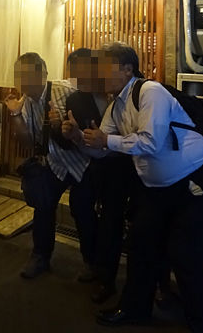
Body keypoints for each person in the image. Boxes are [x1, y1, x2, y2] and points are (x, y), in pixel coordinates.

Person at [81, 42, 203, 332]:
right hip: (157, 189)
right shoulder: (116, 105)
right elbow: (101, 150)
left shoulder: (150, 92)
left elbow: (151, 142)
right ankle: (135, 309)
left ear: (127, 69)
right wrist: (79, 138)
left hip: (196, 180)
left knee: (186, 255)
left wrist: (105, 141)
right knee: (141, 245)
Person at [4, 52, 97, 280]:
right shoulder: (26, 102)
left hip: (81, 162)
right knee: (43, 206)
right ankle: (40, 256)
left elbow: (90, 116)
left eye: (26, 75)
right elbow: (27, 142)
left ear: (43, 74)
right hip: (55, 164)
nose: (22, 81)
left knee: (82, 210)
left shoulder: (65, 90)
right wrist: (15, 114)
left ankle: (93, 263)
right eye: (18, 75)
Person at [61, 48, 139, 304]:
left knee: (117, 220)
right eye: (75, 74)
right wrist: (71, 134)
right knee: (82, 206)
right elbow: (87, 142)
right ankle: (94, 263)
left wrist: (104, 142)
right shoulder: (75, 100)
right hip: (93, 163)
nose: (79, 78)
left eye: (84, 72)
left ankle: (118, 279)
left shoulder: (127, 92)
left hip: (128, 165)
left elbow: (137, 137)